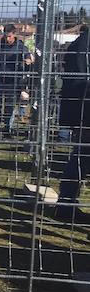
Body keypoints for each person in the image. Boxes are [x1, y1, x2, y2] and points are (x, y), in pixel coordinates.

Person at [55, 25, 89, 223]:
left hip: (81, 110)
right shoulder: (84, 45)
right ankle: (66, 205)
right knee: (80, 159)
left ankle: (66, 204)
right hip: (85, 110)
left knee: (80, 158)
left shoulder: (80, 43)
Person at [0, 24, 31, 135]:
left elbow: (29, 59)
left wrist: (27, 63)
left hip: (13, 81)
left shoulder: (21, 47)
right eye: (6, 36)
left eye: (10, 36)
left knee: (10, 106)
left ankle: (8, 128)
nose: (7, 39)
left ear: (14, 34)